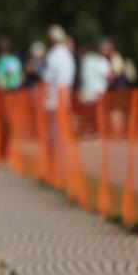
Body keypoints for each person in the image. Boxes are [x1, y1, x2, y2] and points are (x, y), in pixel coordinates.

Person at [41, 24, 76, 183]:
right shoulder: (68, 55)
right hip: (64, 96)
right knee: (60, 134)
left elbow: (47, 77)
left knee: (54, 135)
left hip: (53, 98)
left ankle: (54, 170)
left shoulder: (54, 55)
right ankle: (59, 169)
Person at [0, 38, 23, 160]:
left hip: (5, 95)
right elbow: (20, 77)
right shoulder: (15, 60)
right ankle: (10, 151)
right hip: (16, 94)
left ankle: (5, 151)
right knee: (12, 122)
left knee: (5, 123)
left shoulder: (1, 61)